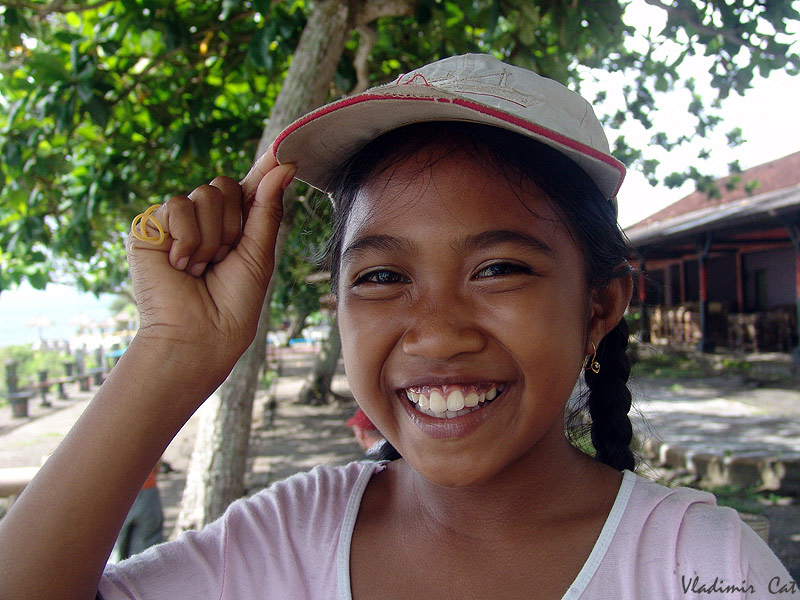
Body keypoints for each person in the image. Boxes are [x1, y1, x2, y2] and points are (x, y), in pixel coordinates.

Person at [0, 54, 796, 600]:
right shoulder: (288, 535)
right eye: (382, 276)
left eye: (499, 269)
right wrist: (175, 349)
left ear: (600, 307)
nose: (437, 332)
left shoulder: (704, 567)